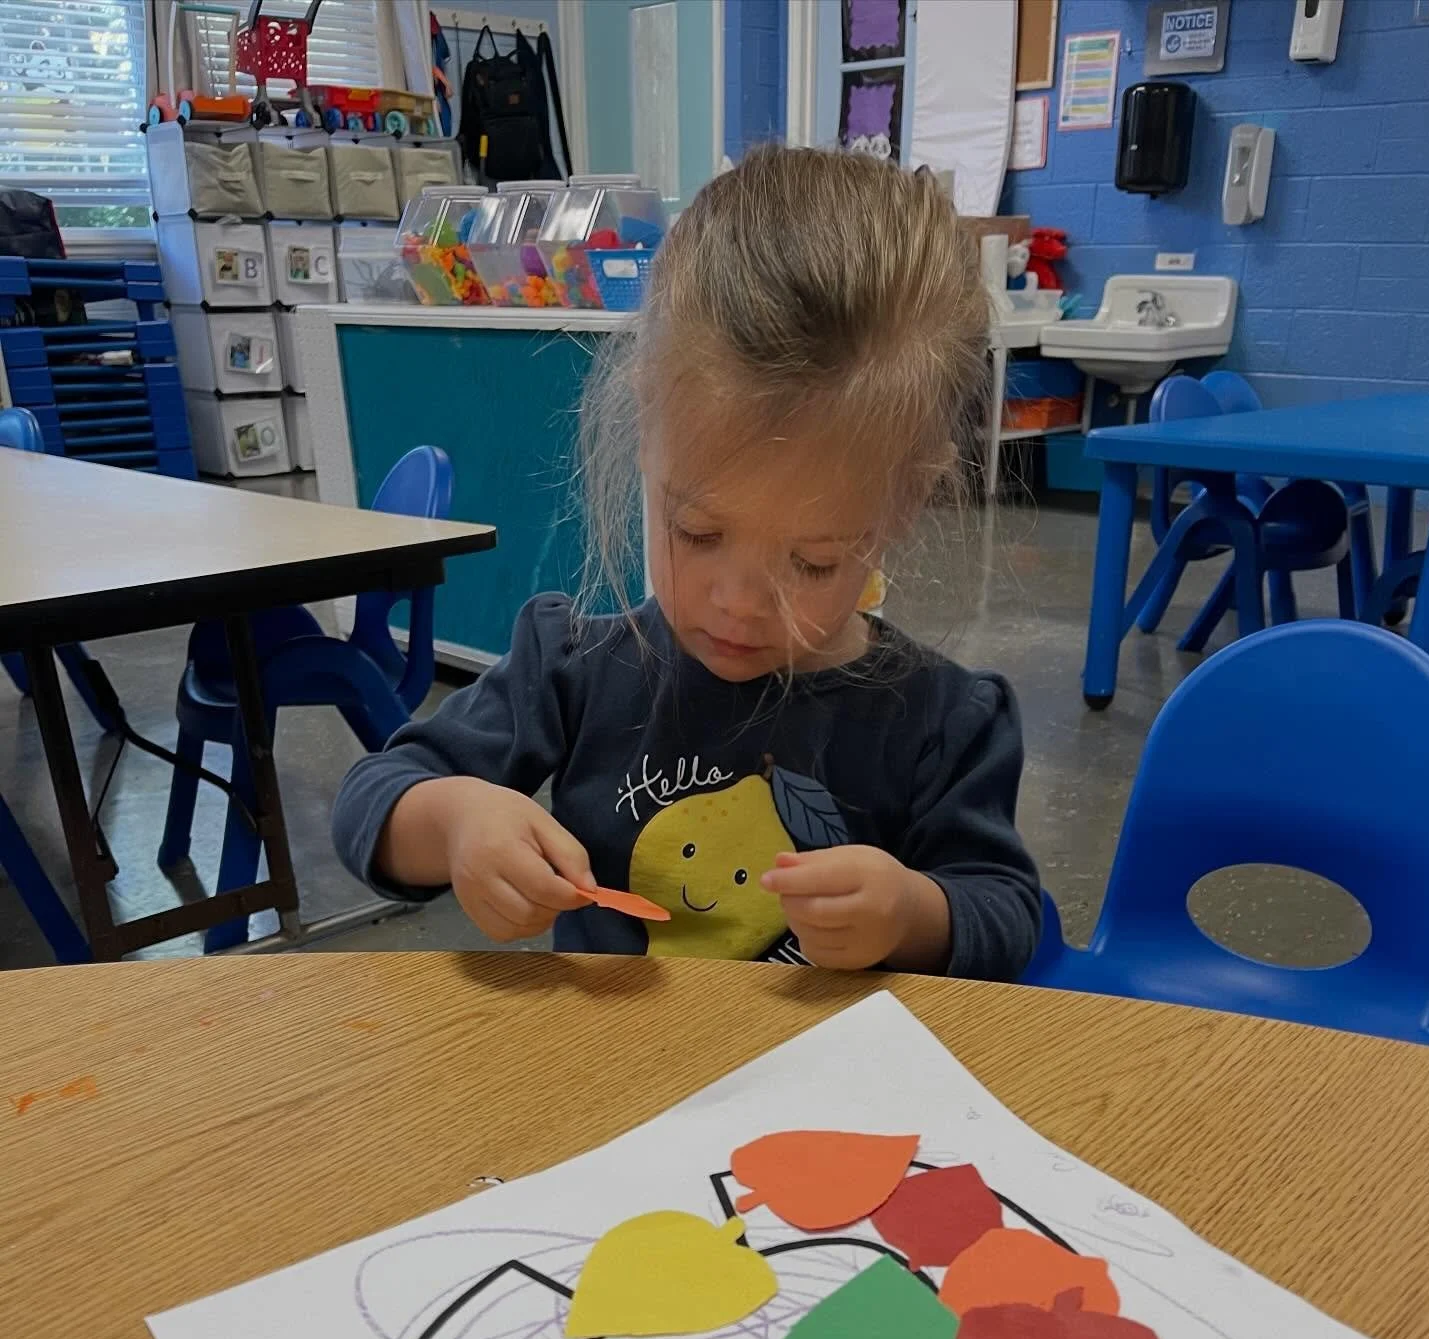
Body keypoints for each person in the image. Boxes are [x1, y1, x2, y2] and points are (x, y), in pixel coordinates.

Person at [333, 145, 1041, 976]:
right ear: (647, 432)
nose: (738, 602)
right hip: (616, 1071)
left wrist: (912, 914)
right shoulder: (573, 667)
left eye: (813, 561)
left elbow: (1008, 913)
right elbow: (371, 799)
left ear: (903, 505)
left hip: (824, 1085)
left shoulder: (945, 722)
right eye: (698, 533)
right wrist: (454, 823)